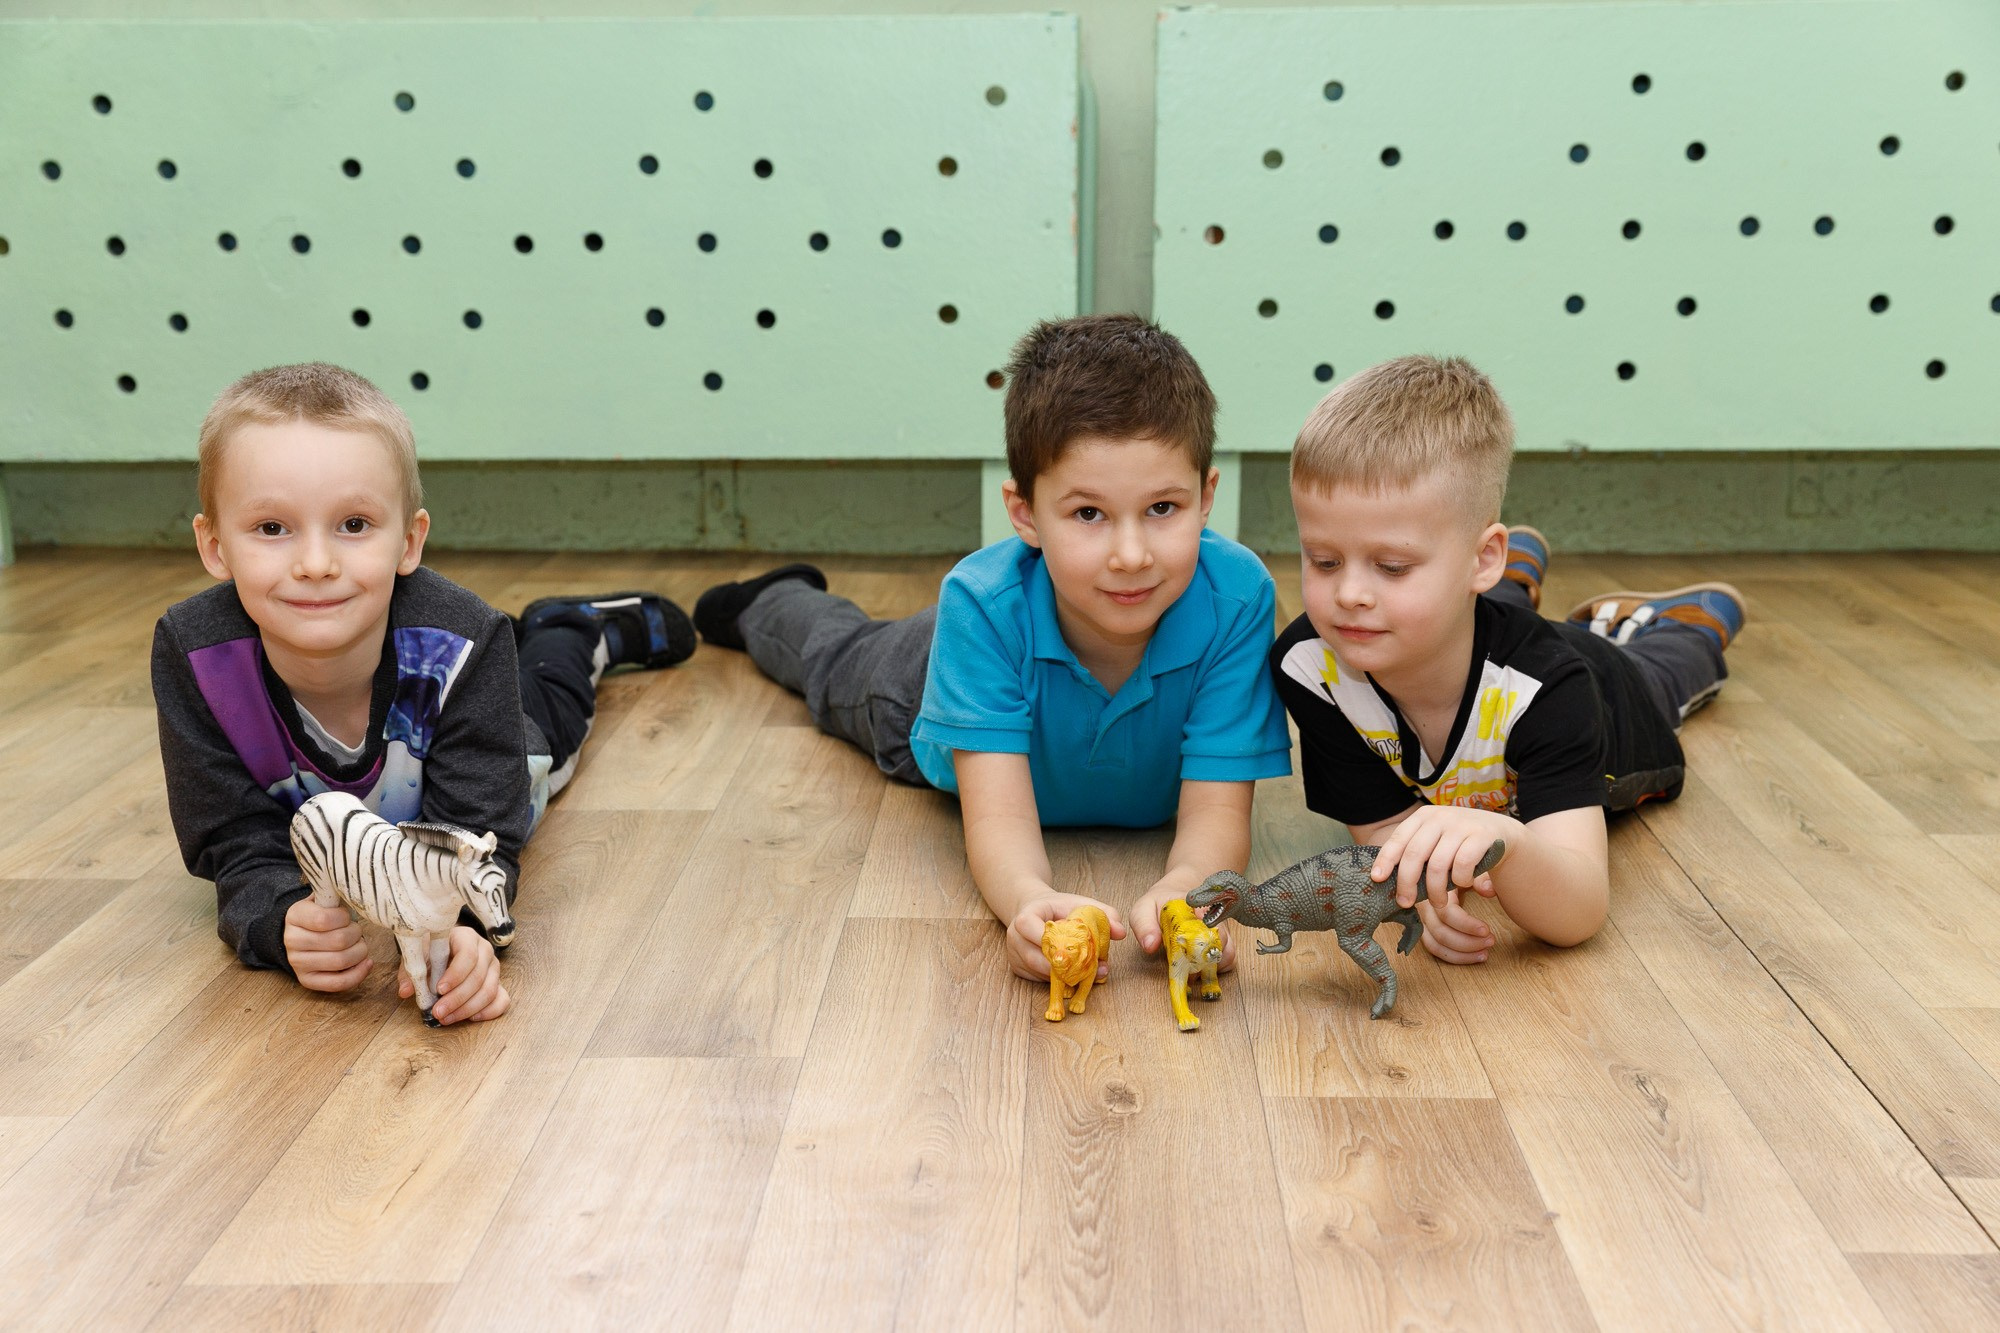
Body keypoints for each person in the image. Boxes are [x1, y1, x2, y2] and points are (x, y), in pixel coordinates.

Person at [694, 315, 1293, 981]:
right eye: (1089, 514)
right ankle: (769, 601)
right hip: (919, 688)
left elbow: (1217, 807)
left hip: (1011, 641)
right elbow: (1000, 818)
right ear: (1025, 512)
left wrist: (1189, 887)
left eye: (1162, 508)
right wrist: (1029, 902)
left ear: (1206, 497)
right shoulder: (979, 604)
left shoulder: (1239, 600)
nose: (1132, 555)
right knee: (834, 655)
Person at [152, 363, 693, 1021]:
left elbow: (480, 833)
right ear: (214, 545)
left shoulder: (464, 642)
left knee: (546, 711)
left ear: (409, 540)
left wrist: (464, 931)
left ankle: (576, 629)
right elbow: (229, 834)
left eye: (353, 524)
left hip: (472, 759)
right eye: (273, 528)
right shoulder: (194, 653)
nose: (316, 563)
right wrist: (280, 919)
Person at [1273, 355, 1746, 961]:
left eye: (1391, 566)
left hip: (1613, 684)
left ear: (1479, 558)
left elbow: (1577, 910)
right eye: (1324, 560)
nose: (1349, 594)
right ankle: (1513, 576)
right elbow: (1385, 832)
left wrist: (1509, 840)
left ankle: (1690, 627)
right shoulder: (1311, 666)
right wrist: (1421, 893)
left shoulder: (1554, 689)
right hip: (1464, 625)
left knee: (1660, 674)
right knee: (1438, 612)